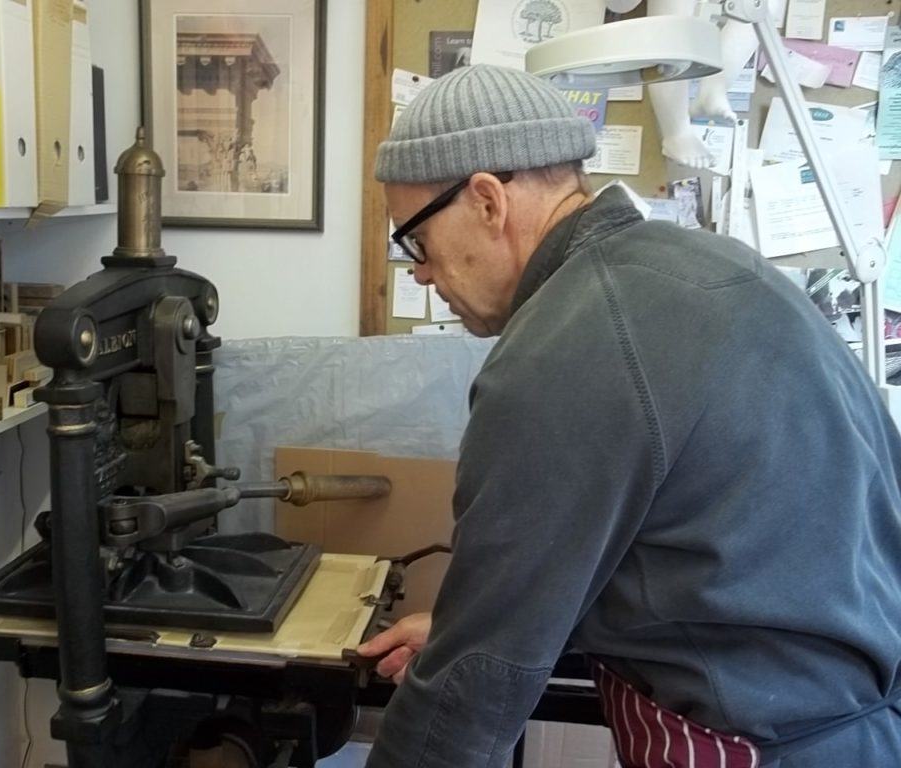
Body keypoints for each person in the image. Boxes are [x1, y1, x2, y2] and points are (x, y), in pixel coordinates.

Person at [358, 63, 901, 768]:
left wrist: (472, 644)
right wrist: (466, 626)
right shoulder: (719, 268)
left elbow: (470, 694)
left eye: (416, 244)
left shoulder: (557, 353)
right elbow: (694, 548)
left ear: (488, 201)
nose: (422, 275)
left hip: (771, 747)